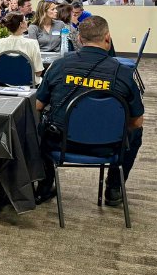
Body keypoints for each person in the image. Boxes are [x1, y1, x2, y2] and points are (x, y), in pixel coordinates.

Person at [34, 16, 144, 206]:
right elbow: (136, 122)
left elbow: (37, 106)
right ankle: (114, 187)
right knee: (136, 133)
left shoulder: (59, 65)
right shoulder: (123, 73)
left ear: (79, 40)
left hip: (60, 144)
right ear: (108, 38)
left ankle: (45, 184)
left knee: (36, 126)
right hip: (108, 146)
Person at [0, 13, 44, 85]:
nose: (27, 22)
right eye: (25, 20)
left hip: (6, 82)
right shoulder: (32, 43)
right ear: (21, 24)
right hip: (28, 83)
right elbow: (38, 71)